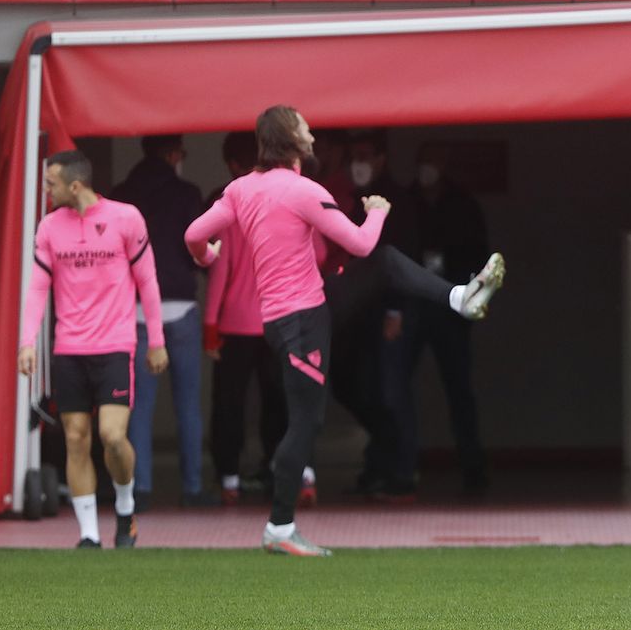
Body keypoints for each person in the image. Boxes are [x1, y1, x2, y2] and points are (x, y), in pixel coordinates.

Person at [184, 106, 504, 556]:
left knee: (386, 265)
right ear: (290, 139)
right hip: (300, 323)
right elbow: (360, 242)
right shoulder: (302, 190)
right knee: (305, 423)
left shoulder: (239, 190)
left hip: (302, 311)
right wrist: (375, 211)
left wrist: (207, 257)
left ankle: (459, 298)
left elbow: (193, 235)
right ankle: (278, 528)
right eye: (303, 125)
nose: (311, 131)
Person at [17, 150, 168, 548]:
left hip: (116, 345)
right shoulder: (49, 227)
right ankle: (87, 534)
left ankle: (124, 509)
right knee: (76, 437)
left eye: (51, 184)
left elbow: (148, 280)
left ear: (75, 185)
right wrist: (26, 342)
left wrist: (156, 341)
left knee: (113, 436)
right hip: (69, 349)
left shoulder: (126, 218)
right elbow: (37, 288)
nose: (46, 191)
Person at [382, 143, 490, 497]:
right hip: (412, 306)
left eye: (435, 161)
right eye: (424, 161)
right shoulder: (407, 201)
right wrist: (394, 308)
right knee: (395, 387)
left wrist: (469, 299)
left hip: (450, 310)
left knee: (460, 390)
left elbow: (480, 253)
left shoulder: (462, 203)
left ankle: (473, 470)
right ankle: (400, 469)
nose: (429, 168)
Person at [111, 134, 208, 510]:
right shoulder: (187, 193)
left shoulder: (120, 193)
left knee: (139, 406)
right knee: (188, 403)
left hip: (134, 308)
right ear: (171, 155)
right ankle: (193, 487)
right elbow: (196, 245)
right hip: (180, 305)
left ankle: (140, 488)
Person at [203, 131, 290, 506]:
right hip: (279, 320)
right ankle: (284, 469)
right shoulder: (286, 202)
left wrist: (210, 325)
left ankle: (230, 478)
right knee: (281, 400)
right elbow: (317, 253)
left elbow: (219, 271)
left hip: (235, 325)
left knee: (230, 403)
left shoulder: (230, 207)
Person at [331, 130, 416, 499]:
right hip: (356, 311)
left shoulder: (398, 199)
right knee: (350, 385)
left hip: (387, 311)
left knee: (390, 392)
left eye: (364, 155)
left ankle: (400, 473)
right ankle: (379, 462)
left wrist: (397, 310)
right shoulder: (348, 199)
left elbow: (403, 258)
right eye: (353, 155)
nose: (358, 162)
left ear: (381, 157)